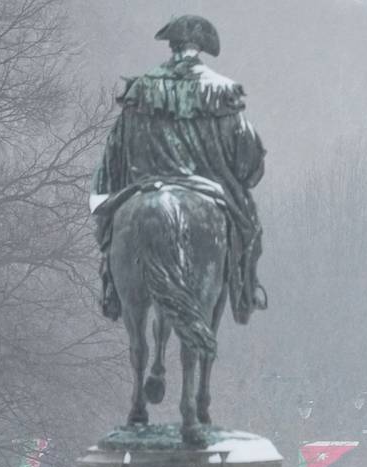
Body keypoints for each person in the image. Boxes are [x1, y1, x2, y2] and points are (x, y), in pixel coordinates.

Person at [92, 15, 267, 325]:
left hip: (144, 184)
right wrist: (241, 175)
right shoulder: (222, 90)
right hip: (208, 186)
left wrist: (105, 194)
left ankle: (110, 285)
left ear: (171, 46)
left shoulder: (140, 88)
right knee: (250, 227)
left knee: (109, 228)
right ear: (201, 48)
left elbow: (114, 150)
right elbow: (247, 156)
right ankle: (247, 290)